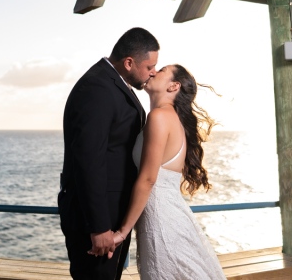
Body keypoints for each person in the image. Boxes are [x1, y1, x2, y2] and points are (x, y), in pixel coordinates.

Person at [59, 28, 160, 280]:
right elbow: (88, 160)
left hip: (113, 215)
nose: (153, 72)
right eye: (150, 66)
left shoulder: (112, 83)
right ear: (129, 63)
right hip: (97, 221)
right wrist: (99, 227)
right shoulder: (97, 88)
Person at [110, 64, 225, 280]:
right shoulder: (168, 118)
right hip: (169, 218)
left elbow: (147, 179)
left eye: (161, 70)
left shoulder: (160, 117)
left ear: (174, 86)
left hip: (162, 224)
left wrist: (122, 232)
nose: (153, 72)